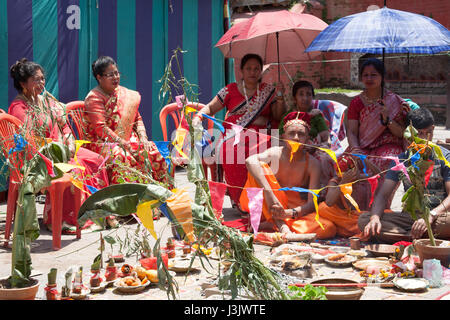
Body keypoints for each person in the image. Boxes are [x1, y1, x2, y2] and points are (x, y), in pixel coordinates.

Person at [8, 58, 112, 233]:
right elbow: (30, 142)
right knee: (75, 169)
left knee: (97, 160)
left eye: (42, 78)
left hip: (62, 150)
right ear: (23, 84)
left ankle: (99, 214)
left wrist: (69, 141)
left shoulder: (46, 101)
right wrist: (57, 151)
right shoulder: (19, 108)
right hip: (40, 158)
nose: (41, 83)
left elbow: (63, 125)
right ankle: (65, 220)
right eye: (36, 80)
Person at [192, 53, 286, 208]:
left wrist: (281, 96)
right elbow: (210, 107)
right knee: (232, 152)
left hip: (261, 136)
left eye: (256, 69)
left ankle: (264, 202)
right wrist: (198, 117)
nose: (252, 72)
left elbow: (278, 115)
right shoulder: (230, 90)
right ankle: (241, 202)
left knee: (260, 153)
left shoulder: (268, 91)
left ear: (261, 72)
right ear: (241, 71)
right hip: (233, 136)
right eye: (248, 68)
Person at [358, 108, 450, 243]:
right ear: (408, 134)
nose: (424, 139)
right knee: (364, 220)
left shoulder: (444, 156)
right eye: (419, 134)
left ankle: (407, 236)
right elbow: (383, 195)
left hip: (439, 215)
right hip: (411, 217)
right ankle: (419, 236)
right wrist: (375, 218)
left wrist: (431, 215)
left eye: (428, 133)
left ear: (433, 129)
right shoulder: (402, 160)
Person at [240, 111, 336, 239]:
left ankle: (274, 224)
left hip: (293, 214)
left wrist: (288, 213)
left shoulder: (313, 164)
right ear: (284, 137)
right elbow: (249, 161)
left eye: (301, 134)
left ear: (308, 139)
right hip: (269, 206)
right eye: (291, 133)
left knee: (328, 228)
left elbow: (311, 204)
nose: (296, 138)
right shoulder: (275, 154)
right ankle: (280, 226)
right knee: (258, 167)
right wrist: (270, 194)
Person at [83, 56, 169, 186]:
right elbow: (101, 129)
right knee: (121, 155)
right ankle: (124, 199)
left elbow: (137, 119)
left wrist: (143, 138)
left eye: (117, 73)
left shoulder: (125, 94)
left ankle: (158, 194)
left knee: (152, 151)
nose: (116, 77)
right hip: (101, 142)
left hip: (127, 139)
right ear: (99, 77)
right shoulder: (94, 98)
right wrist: (122, 142)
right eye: (110, 75)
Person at [347, 58, 410, 173]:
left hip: (389, 145)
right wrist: (355, 149)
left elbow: (403, 133)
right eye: (365, 75)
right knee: (347, 162)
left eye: (373, 75)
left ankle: (382, 191)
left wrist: (388, 120)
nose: (369, 78)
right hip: (363, 146)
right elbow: (351, 131)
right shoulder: (356, 103)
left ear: (382, 77)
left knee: (386, 160)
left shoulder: (394, 101)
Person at [318, 154, 380, 238]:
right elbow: (329, 202)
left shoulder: (357, 177)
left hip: (355, 218)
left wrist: (365, 160)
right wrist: (343, 182)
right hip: (341, 218)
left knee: (384, 215)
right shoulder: (335, 181)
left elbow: (379, 175)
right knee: (323, 208)